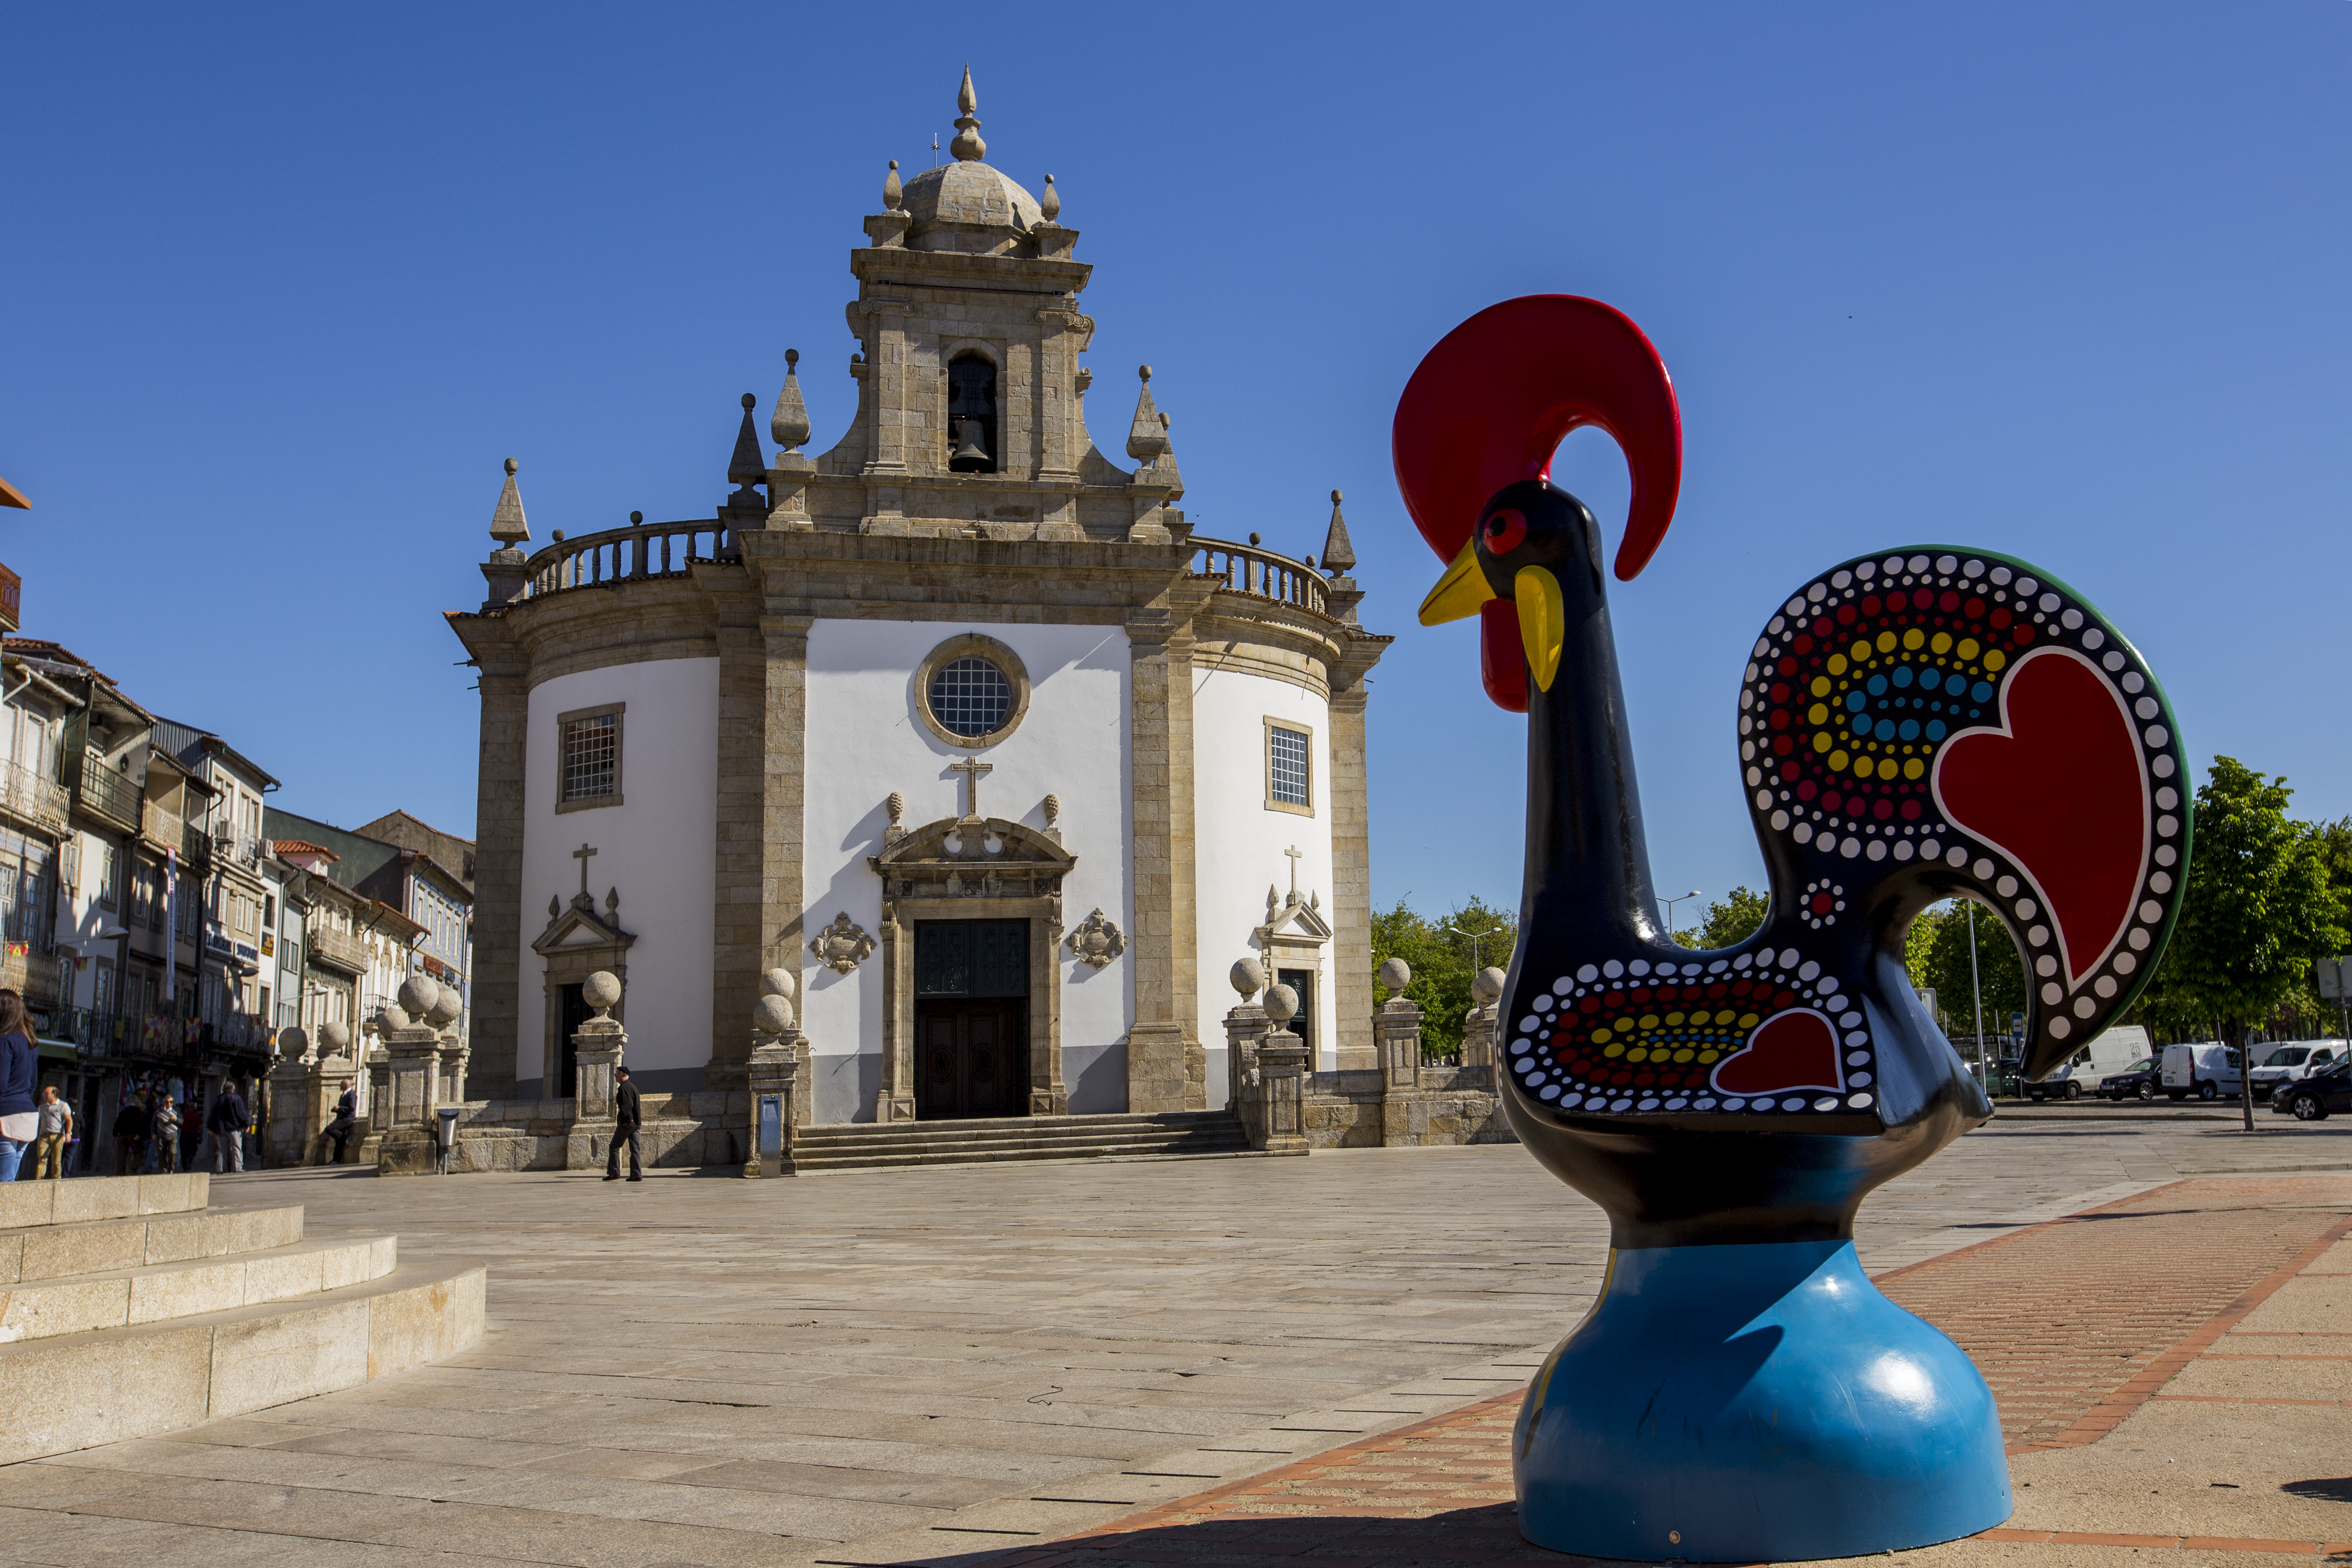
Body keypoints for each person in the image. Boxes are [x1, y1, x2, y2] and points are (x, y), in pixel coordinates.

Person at [0, 992, 35, 1182]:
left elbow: (1, 1083)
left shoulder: (5, 1041)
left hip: (6, 1116)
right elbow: (33, 1084)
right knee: (9, 1180)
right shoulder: (31, 1042)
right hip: (28, 1116)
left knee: (4, 1183)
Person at [603, 1065, 643, 1182]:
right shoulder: (632, 1087)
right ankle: (637, 1174)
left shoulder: (625, 1088)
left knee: (614, 1147)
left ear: (624, 1075)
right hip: (635, 1123)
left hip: (628, 1124)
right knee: (635, 1149)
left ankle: (614, 1172)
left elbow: (626, 1107)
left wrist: (622, 1119)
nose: (615, 1075)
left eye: (618, 1073)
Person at [30, 1085, 71, 1179]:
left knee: (56, 1160)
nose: (44, 1095)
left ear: (54, 1094)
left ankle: (56, 1179)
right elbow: (39, 1121)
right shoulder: (42, 1107)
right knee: (42, 1159)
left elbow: (69, 1120)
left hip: (57, 1135)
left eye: (47, 1093)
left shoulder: (63, 1105)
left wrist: (68, 1132)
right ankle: (39, 1179)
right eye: (44, 1093)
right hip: (44, 1136)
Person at [205, 1084, 248, 1174]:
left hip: (222, 1129)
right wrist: (246, 1124)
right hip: (234, 1129)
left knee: (222, 1149)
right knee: (237, 1148)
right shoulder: (236, 1099)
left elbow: (213, 1114)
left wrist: (211, 1127)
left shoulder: (218, 1100)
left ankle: (221, 1169)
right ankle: (238, 1168)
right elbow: (241, 1114)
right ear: (233, 1089)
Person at [111, 1092, 149, 1175]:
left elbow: (118, 1123)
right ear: (136, 1102)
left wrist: (115, 1135)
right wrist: (139, 1134)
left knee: (121, 1155)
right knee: (139, 1152)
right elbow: (140, 1123)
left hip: (123, 1135)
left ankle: (120, 1173)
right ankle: (133, 1168)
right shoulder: (138, 1111)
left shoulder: (123, 1111)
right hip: (133, 1135)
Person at [322, 1085, 357, 1164]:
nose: (340, 1086)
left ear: (345, 1085)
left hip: (347, 1119)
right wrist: (336, 1110)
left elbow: (352, 1108)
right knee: (338, 1140)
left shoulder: (352, 1094)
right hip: (341, 1118)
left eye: (341, 1084)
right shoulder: (343, 1095)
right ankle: (336, 1160)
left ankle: (344, 1138)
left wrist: (340, 1108)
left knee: (329, 1129)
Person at [150, 1095, 181, 1173]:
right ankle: (163, 1171)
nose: (169, 1104)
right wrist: (153, 1133)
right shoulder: (159, 1111)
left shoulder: (176, 1110)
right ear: (164, 1103)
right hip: (161, 1135)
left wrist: (176, 1120)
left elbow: (182, 1122)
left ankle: (171, 1168)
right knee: (161, 1153)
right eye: (167, 1102)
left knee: (172, 1152)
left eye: (171, 1102)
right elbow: (154, 1123)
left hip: (173, 1135)